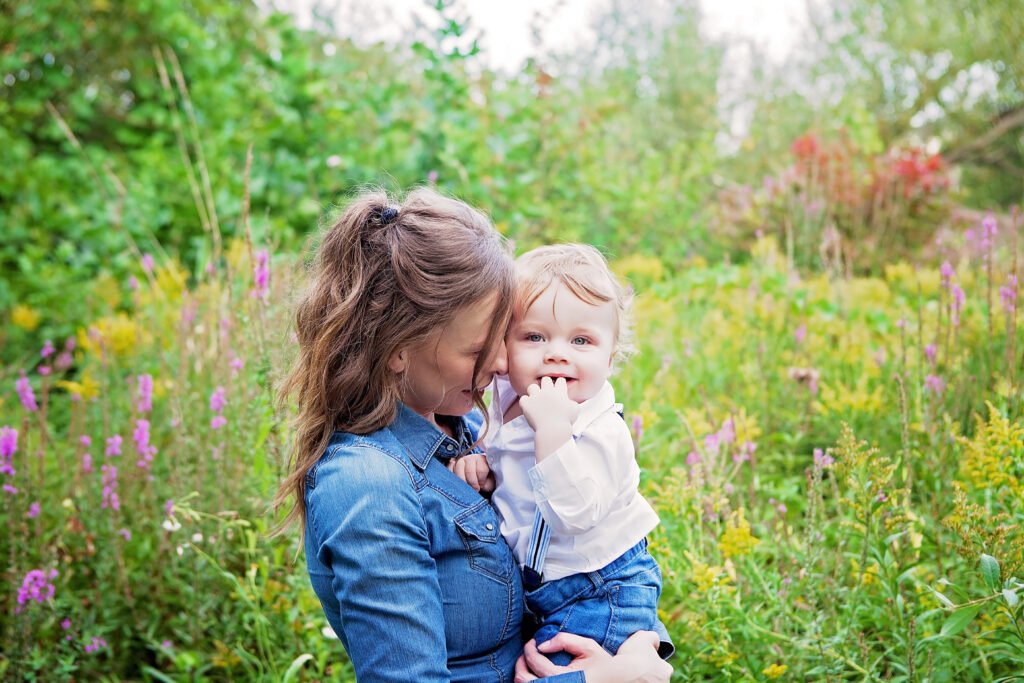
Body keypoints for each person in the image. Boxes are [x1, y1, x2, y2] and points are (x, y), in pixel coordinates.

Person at [275, 188, 672, 683]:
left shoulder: (460, 426)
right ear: (399, 350)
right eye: (480, 348)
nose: (504, 364)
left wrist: (639, 645)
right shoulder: (368, 485)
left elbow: (588, 553)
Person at [453, 244, 663, 666]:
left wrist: (552, 432)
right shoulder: (509, 395)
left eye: (581, 340)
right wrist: (484, 464)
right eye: (534, 336)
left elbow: (574, 511)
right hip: (546, 589)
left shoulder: (599, 429)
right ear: (503, 346)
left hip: (600, 590)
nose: (557, 353)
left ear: (610, 355)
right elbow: (509, 458)